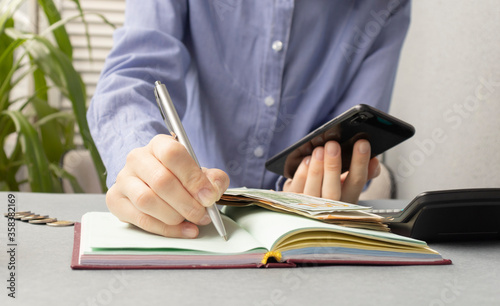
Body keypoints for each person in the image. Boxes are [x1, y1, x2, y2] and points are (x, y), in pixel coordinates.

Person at [87, 0, 411, 239]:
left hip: (301, 241)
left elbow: (354, 134)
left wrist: (333, 181)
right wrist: (144, 164)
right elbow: (131, 78)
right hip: (188, 223)